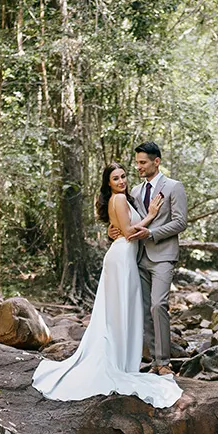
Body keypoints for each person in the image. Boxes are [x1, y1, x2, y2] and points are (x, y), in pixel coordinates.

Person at [32, 162, 183, 408]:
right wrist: (152, 215)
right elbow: (128, 231)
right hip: (122, 258)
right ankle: (116, 363)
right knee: (118, 311)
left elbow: (119, 228)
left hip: (124, 256)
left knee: (121, 311)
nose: (122, 181)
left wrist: (121, 228)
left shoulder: (124, 197)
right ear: (108, 183)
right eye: (116, 178)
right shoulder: (120, 200)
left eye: (124, 176)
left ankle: (123, 360)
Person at [113, 142, 187, 375]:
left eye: (142, 162)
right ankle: (155, 363)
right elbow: (128, 221)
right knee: (145, 311)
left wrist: (152, 233)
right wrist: (113, 230)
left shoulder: (174, 187)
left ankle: (165, 362)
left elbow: (180, 222)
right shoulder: (134, 191)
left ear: (157, 161)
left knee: (158, 305)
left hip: (164, 255)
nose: (138, 167)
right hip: (138, 256)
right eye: (137, 163)